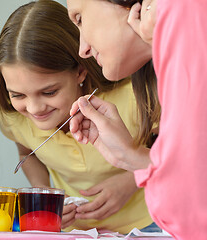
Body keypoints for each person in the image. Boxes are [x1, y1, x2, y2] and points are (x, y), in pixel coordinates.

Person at [0, 0, 156, 234]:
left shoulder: (135, 96)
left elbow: (177, 154)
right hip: (75, 232)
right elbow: (25, 152)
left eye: (49, 92)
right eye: (18, 94)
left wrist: (132, 180)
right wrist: (43, 193)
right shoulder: (13, 117)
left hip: (149, 223)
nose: (34, 108)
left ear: (80, 71)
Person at [67, 0, 207, 239]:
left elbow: (190, 213)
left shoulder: (183, 8)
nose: (83, 49)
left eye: (80, 19)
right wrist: (131, 157)